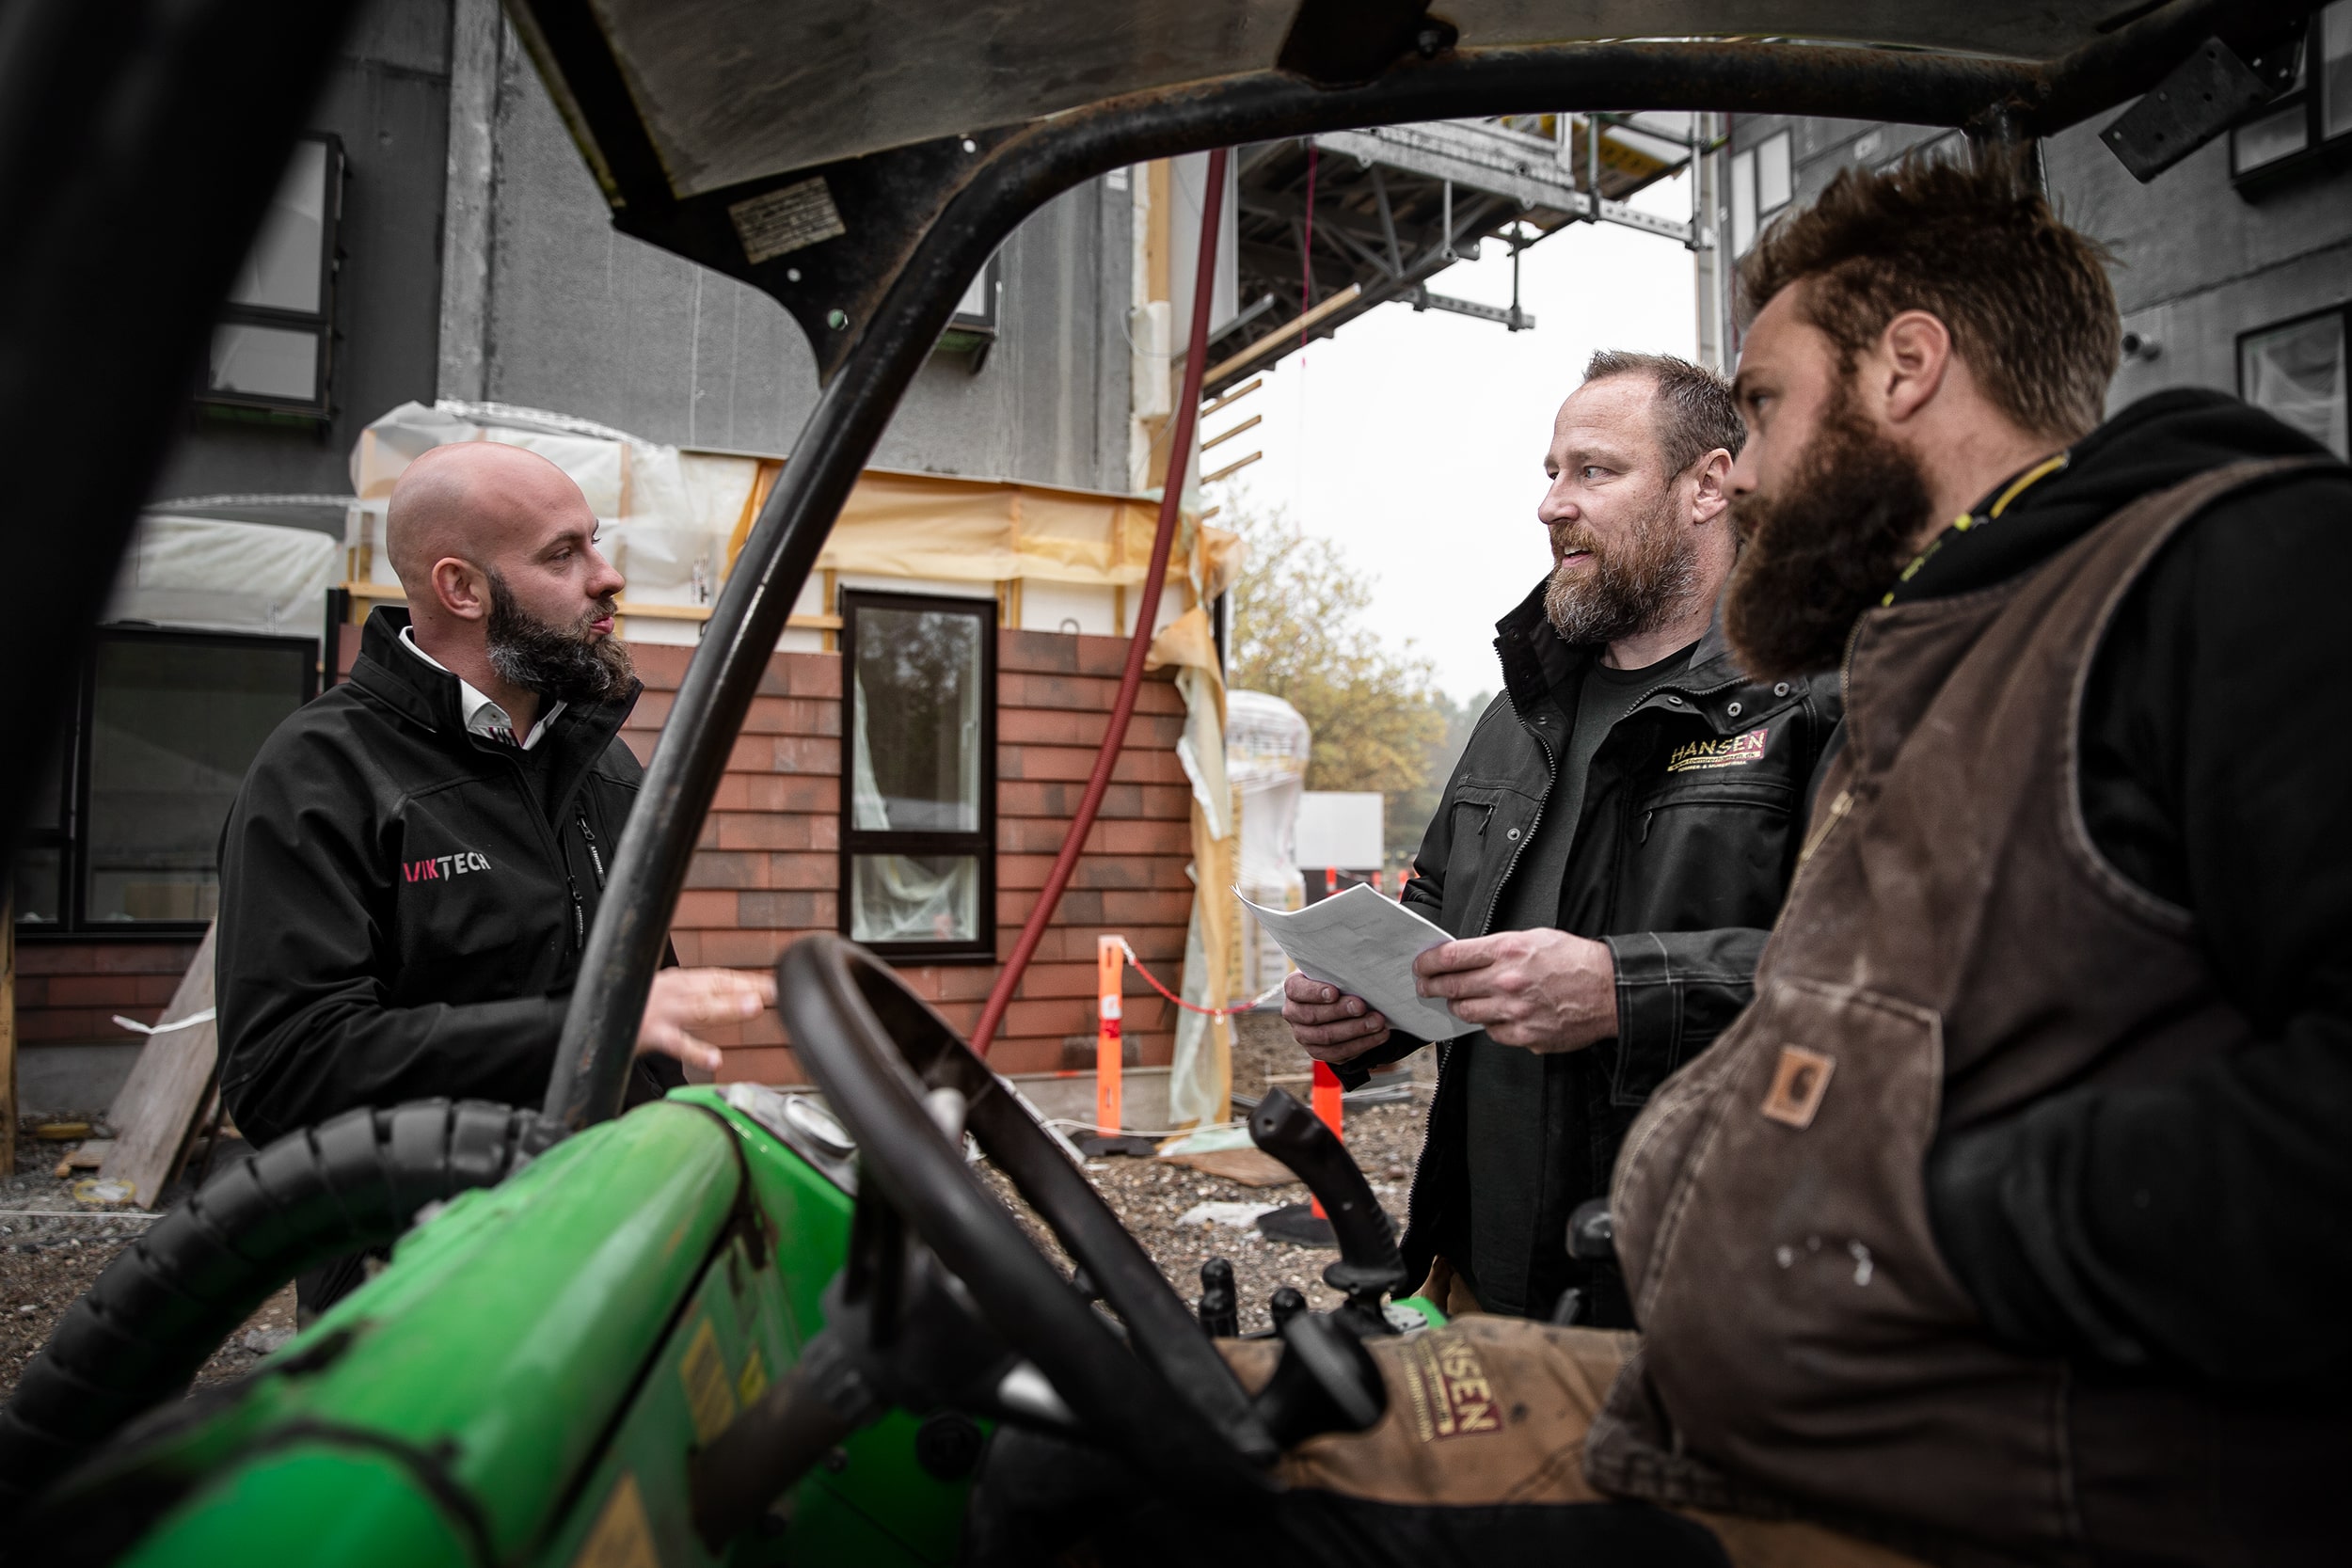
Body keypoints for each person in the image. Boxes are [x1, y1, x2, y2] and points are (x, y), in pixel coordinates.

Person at [1580, 151, 2352, 1562]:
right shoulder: (1947, 649)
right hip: (1782, 1450)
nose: (1738, 471)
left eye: (1759, 404)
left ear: (1908, 367)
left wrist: (1951, 1214)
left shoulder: (2237, 573)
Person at [1282, 352, 1843, 1323]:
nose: (1552, 504)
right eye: (1550, 471)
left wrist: (1620, 992)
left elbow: (1869, 985)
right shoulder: (1521, 710)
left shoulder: (1811, 697)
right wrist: (1367, 1010)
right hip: (1479, 1276)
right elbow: (1435, 917)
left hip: (1691, 1295)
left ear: (1706, 484)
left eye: (1592, 470)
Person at [215, 442, 773, 1309]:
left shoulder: (606, 768)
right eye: (564, 554)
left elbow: (648, 1032)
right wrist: (579, 1027)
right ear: (462, 588)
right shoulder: (319, 774)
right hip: (416, 1294)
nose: (609, 575)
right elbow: (287, 1069)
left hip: (600, 1261)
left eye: (595, 541)